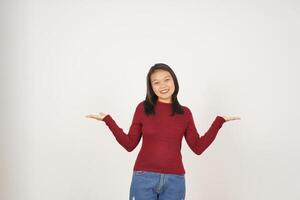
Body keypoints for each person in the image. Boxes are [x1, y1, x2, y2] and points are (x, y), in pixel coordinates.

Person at [86, 63, 240, 200]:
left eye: (167, 79)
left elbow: (197, 147)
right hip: (143, 178)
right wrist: (108, 120)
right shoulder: (143, 108)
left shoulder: (185, 113)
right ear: (151, 87)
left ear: (174, 81)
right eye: (156, 82)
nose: (163, 85)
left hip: (175, 181)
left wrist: (219, 122)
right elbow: (129, 144)